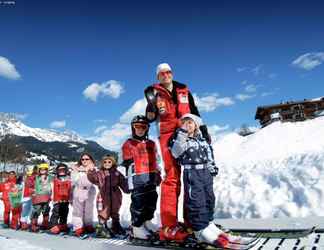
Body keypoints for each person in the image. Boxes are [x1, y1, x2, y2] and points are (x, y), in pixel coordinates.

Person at [144, 63, 211, 241]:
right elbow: (150, 118)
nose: (165, 75)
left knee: (192, 175)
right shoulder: (154, 93)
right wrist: (151, 105)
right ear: (158, 77)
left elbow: (194, 111)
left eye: (168, 72)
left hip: (187, 133)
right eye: (161, 73)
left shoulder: (184, 91)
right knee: (172, 177)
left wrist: (203, 130)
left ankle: (192, 221)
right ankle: (169, 226)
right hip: (167, 136)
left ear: (172, 74)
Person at [169, 114, 228, 247]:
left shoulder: (202, 140)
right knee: (196, 200)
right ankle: (199, 229)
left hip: (205, 173)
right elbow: (175, 152)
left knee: (209, 198)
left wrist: (212, 166)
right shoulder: (180, 139)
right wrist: (182, 134)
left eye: (190, 123)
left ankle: (208, 222)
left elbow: (209, 153)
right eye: (184, 123)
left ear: (196, 125)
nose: (188, 125)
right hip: (192, 173)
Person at [121, 115, 161, 240]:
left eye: (143, 127)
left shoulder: (152, 143)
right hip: (137, 178)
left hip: (151, 176)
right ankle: (137, 226)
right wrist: (129, 178)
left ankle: (147, 221)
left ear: (147, 129)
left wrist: (158, 173)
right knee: (139, 202)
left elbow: (157, 159)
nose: (140, 129)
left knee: (152, 200)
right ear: (133, 128)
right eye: (137, 126)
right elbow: (124, 162)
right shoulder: (128, 143)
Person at [87, 155, 129, 238]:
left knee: (115, 210)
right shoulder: (99, 173)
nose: (107, 163)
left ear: (113, 163)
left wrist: (128, 188)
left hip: (115, 195)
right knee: (103, 211)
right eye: (105, 162)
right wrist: (91, 172)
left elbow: (123, 183)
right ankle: (102, 227)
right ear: (102, 163)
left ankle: (116, 226)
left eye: (109, 162)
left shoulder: (117, 173)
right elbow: (93, 178)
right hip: (103, 195)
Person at [71, 153, 96, 237]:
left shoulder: (94, 169)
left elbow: (96, 180)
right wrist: (75, 171)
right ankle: (78, 227)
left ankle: (88, 225)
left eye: (87, 159)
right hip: (79, 191)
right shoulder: (76, 169)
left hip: (89, 191)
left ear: (91, 160)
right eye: (83, 159)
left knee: (89, 210)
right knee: (78, 211)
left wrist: (90, 172)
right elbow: (73, 180)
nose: (84, 161)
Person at [49, 163, 71, 234]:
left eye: (63, 170)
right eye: (60, 170)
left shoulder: (69, 178)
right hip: (57, 199)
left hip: (66, 199)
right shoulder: (54, 178)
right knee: (56, 212)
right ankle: (53, 225)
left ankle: (63, 225)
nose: (61, 171)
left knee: (64, 212)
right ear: (57, 171)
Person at [30, 163, 53, 232]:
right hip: (37, 197)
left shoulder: (50, 177)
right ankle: (33, 224)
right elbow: (30, 181)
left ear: (47, 170)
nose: (43, 170)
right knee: (36, 211)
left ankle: (45, 224)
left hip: (46, 197)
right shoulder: (36, 177)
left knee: (46, 210)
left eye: (44, 169)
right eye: (41, 169)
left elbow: (53, 184)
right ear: (39, 170)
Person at [20, 165, 37, 230]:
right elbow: (25, 185)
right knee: (25, 210)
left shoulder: (36, 177)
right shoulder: (26, 178)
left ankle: (30, 223)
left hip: (33, 196)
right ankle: (24, 223)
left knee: (32, 210)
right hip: (26, 196)